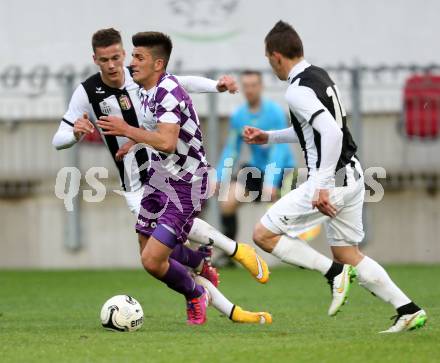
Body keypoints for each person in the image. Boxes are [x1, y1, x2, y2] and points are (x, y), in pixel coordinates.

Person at [53, 28, 271, 324]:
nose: (119, 65)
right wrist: (78, 134)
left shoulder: (156, 85)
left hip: (184, 180)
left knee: (156, 256)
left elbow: (176, 102)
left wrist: (216, 86)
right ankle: (205, 270)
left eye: (122, 57)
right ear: (96, 60)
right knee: (154, 256)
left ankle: (226, 259)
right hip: (145, 180)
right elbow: (59, 138)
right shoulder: (102, 90)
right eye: (107, 59)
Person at [244, 20, 427, 333]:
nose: (270, 65)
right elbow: (313, 130)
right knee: (348, 253)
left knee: (263, 235)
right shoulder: (318, 75)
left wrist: (323, 184)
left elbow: (329, 131)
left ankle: (333, 273)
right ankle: (407, 309)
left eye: (267, 59)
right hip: (353, 174)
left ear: (276, 56)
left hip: (331, 181)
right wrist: (268, 137)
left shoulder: (297, 89)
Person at [217, 70, 295, 241]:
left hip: (283, 171)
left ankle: (299, 253)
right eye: (246, 86)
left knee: (292, 214)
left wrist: (271, 181)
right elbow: (231, 149)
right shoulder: (239, 116)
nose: (250, 90)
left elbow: (279, 150)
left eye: (253, 85)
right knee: (227, 201)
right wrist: (219, 176)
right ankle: (229, 252)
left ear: (261, 87)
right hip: (256, 170)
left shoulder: (274, 112)